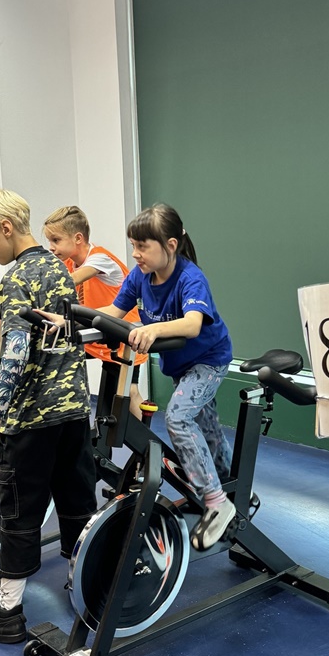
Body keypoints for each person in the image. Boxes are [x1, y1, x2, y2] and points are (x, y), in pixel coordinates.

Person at [0, 189, 98, 645]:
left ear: (4, 229)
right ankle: (88, 589)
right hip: (75, 410)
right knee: (77, 501)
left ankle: (8, 612)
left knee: (20, 513)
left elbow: (15, 351)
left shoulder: (17, 275)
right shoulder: (58, 266)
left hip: (33, 418)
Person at [102, 203, 234, 552]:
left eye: (143, 246)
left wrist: (154, 328)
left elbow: (192, 325)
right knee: (207, 430)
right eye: (134, 245)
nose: (136, 254)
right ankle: (234, 488)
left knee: (177, 418)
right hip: (180, 367)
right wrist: (67, 318)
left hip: (208, 361)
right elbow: (112, 314)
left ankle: (218, 501)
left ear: (170, 245)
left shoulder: (191, 277)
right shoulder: (139, 278)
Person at [43, 204, 147, 417]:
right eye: (49, 242)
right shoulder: (72, 263)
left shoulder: (99, 259)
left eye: (56, 240)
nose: (51, 248)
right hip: (102, 333)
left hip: (127, 333)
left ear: (78, 238)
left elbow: (68, 283)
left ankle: (151, 448)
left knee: (129, 392)